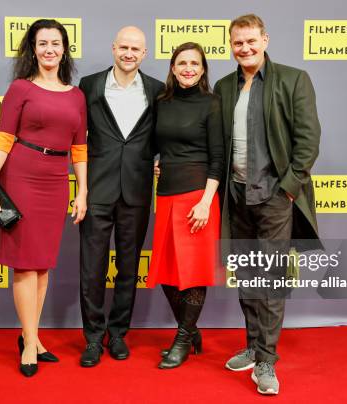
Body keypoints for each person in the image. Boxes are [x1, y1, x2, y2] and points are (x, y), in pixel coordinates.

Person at [214, 14, 322, 395]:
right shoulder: (224, 86)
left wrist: (288, 189)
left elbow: (308, 141)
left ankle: (266, 360)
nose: (244, 48)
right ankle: (253, 342)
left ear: (265, 40)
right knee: (246, 275)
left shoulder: (293, 80)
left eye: (250, 41)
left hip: (275, 197)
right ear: (231, 45)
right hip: (236, 195)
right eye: (237, 42)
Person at [0, 19, 88, 377]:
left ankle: (33, 336)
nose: (49, 49)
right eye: (42, 43)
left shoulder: (76, 95)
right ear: (33, 49)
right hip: (22, 176)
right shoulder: (20, 88)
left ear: (65, 48)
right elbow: (4, 138)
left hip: (56, 182)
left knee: (42, 264)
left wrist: (81, 190)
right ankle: (29, 342)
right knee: (24, 264)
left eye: (56, 43)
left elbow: (80, 149)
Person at [77, 26, 164, 367]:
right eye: (124, 47)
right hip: (97, 190)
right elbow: (75, 135)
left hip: (138, 191)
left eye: (136, 49)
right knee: (92, 269)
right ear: (113, 48)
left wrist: (163, 163)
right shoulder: (90, 86)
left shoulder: (158, 91)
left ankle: (117, 334)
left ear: (144, 54)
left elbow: (166, 136)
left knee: (128, 268)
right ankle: (94, 339)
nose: (129, 53)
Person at [147, 42, 224, 369]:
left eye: (194, 63)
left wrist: (206, 202)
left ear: (203, 68)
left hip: (198, 197)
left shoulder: (212, 103)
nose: (188, 68)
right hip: (165, 195)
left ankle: (181, 338)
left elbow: (218, 158)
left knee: (192, 275)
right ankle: (190, 330)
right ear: (173, 67)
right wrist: (156, 162)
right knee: (166, 273)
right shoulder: (162, 102)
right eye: (182, 63)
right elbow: (154, 143)